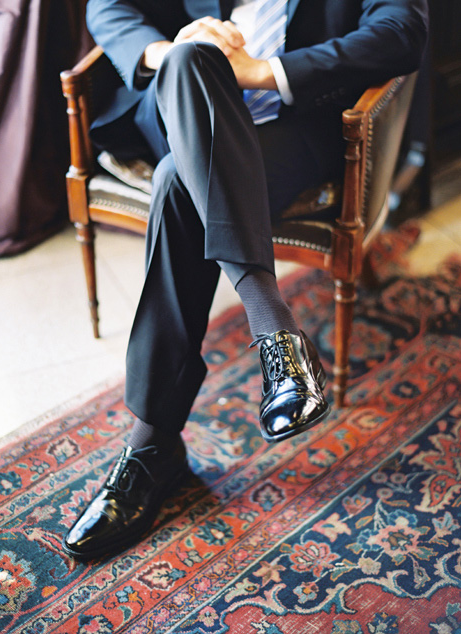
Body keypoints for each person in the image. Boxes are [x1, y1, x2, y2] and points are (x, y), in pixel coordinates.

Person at [62, 0, 428, 560]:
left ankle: (153, 447)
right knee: (189, 64)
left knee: (175, 186)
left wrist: (263, 72)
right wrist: (168, 50)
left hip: (297, 124)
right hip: (180, 107)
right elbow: (107, 5)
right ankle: (276, 330)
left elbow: (402, 30)